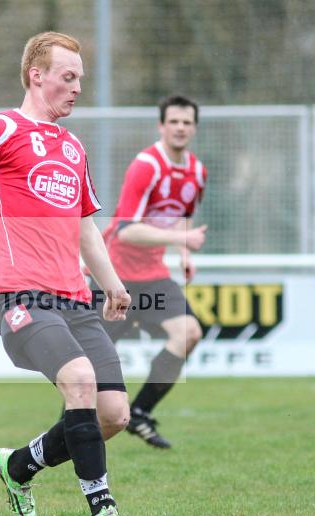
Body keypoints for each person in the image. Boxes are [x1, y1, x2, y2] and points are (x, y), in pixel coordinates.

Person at [0, 32, 132, 516]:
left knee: (114, 413)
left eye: (80, 80)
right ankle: (103, 511)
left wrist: (113, 285)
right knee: (80, 382)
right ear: (36, 75)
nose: (76, 89)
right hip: (21, 297)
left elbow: (86, 228)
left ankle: (19, 466)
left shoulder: (72, 147)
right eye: (67, 78)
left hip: (75, 300)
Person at [96, 95, 207, 449]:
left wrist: (183, 251)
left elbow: (179, 212)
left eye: (186, 122)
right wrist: (182, 237)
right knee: (88, 365)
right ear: (161, 126)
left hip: (154, 277)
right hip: (116, 277)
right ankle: (69, 433)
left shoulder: (197, 171)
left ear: (194, 128)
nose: (180, 128)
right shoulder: (146, 165)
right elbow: (126, 229)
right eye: (173, 121)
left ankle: (140, 413)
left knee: (189, 333)